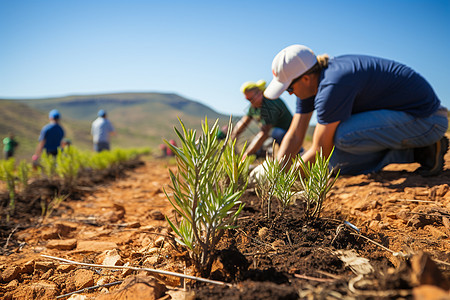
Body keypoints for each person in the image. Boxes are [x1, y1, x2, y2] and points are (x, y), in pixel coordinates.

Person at [261, 44, 448, 176]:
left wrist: (283, 181)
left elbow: (320, 149)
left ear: (306, 79)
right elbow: (294, 135)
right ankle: (422, 151)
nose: (290, 94)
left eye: (289, 89)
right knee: (336, 164)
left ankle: (423, 150)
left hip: (428, 121)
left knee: (342, 136)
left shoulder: (332, 85)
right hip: (404, 119)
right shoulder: (313, 83)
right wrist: (277, 171)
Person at [231, 80, 293, 158]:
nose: (250, 102)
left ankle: (294, 153)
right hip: (272, 135)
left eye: (251, 99)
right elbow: (244, 122)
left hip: (287, 133)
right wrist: (232, 138)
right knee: (255, 144)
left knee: (275, 133)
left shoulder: (269, 103)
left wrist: (245, 156)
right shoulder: (255, 105)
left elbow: (264, 133)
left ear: (260, 93)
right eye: (248, 100)